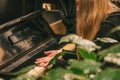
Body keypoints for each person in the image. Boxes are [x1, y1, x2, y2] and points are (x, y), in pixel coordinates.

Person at [35, 0, 120, 67]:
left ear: (90, 4)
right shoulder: (107, 20)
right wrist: (64, 54)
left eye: (79, 4)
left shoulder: (109, 26)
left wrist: (56, 62)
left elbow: (100, 71)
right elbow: (94, 57)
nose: (76, 9)